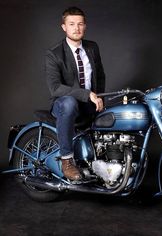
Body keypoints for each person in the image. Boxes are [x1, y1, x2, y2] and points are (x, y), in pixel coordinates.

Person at [45, 6, 105, 181]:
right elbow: (55, 88)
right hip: (63, 105)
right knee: (69, 103)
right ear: (64, 27)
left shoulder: (92, 47)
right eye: (72, 24)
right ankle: (67, 160)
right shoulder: (54, 54)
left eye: (80, 24)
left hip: (88, 103)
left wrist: (99, 97)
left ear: (85, 26)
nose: (76, 28)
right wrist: (87, 94)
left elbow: (100, 75)